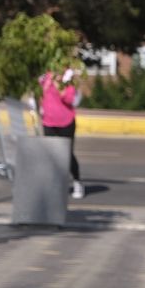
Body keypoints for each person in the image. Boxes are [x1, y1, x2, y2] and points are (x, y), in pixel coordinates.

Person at [39, 65, 84, 199]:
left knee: (67, 154)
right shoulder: (46, 78)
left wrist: (59, 84)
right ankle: (55, 184)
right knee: (52, 154)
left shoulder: (68, 82)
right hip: (49, 121)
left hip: (66, 121)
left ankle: (77, 181)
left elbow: (69, 100)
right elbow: (38, 91)